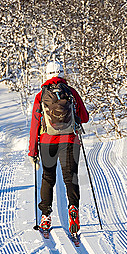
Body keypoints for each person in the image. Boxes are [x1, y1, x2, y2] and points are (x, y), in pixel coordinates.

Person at [28, 60, 90, 235]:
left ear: (46, 75)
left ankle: (45, 216)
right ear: (63, 74)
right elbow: (84, 118)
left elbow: (35, 124)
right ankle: (73, 209)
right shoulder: (71, 93)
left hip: (47, 142)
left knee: (48, 178)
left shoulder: (41, 96)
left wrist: (32, 151)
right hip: (70, 140)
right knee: (71, 178)